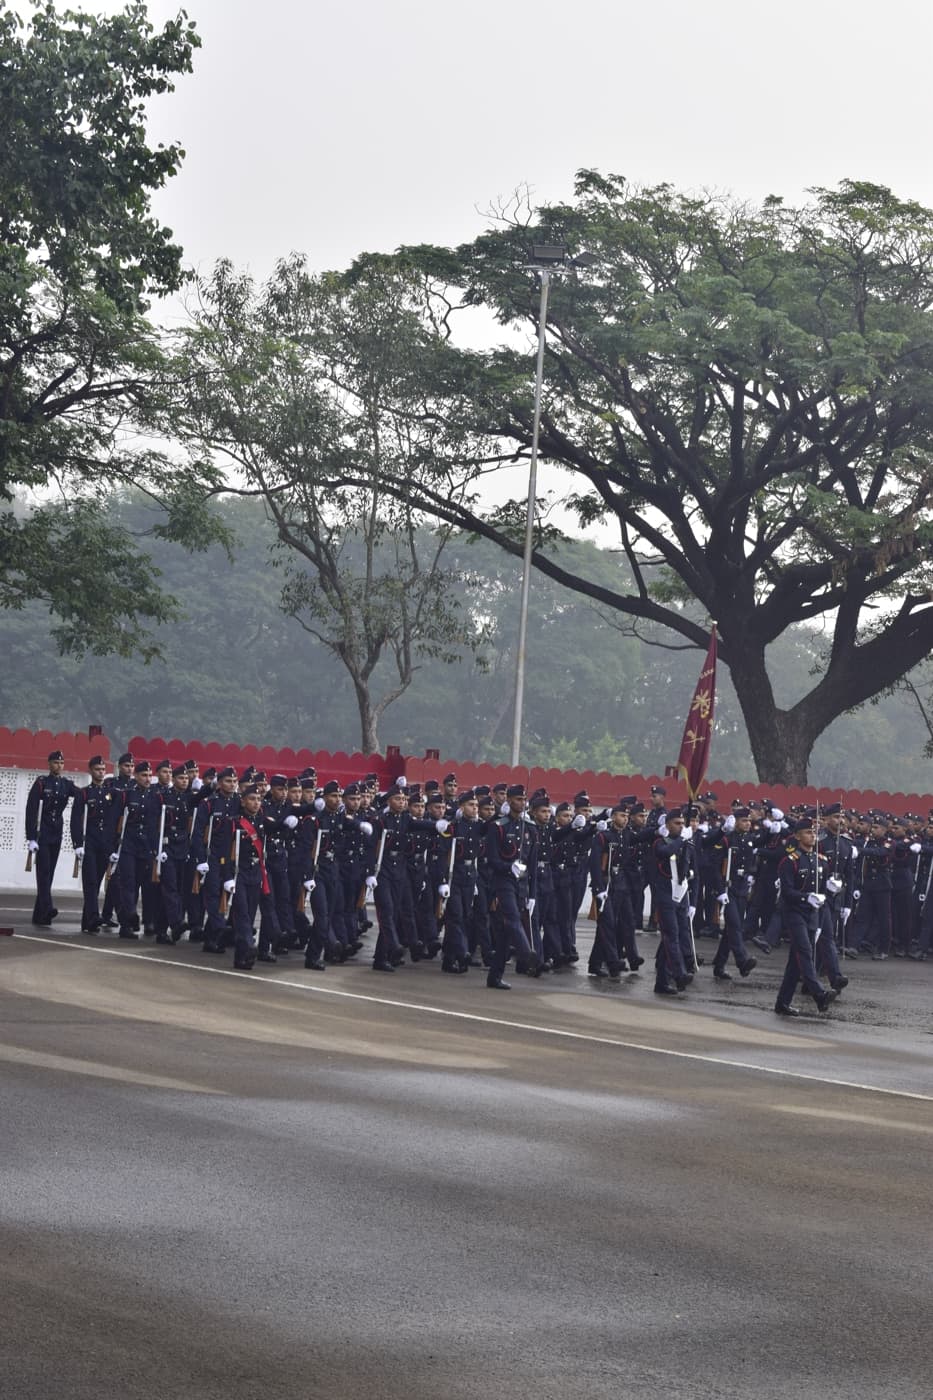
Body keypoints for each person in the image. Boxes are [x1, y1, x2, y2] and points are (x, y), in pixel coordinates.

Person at [774, 818, 837, 1016]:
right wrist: (806, 897)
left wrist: (833, 888)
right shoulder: (789, 861)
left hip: (812, 913)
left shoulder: (821, 860)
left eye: (813, 832)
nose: (812, 835)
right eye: (808, 832)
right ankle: (819, 993)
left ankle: (782, 1003)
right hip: (794, 912)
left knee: (796, 961)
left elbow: (824, 887)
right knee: (805, 951)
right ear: (798, 836)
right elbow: (787, 892)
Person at [485, 783, 540, 989]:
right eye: (518, 799)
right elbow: (491, 860)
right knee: (513, 919)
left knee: (507, 933)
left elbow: (532, 864)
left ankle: (495, 976)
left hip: (522, 884)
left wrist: (532, 894)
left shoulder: (531, 828)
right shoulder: (498, 827)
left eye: (524, 799)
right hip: (503, 882)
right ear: (509, 800)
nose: (522, 803)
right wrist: (509, 868)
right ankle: (527, 955)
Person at [25, 749, 78, 926]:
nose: (59, 766)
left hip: (56, 833)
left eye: (62, 763)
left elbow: (82, 795)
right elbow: (31, 810)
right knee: (44, 872)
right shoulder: (41, 783)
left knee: (49, 874)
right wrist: (31, 837)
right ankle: (48, 908)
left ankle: (40, 916)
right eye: (56, 763)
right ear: (49, 764)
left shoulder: (66, 784)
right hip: (42, 833)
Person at [69, 755, 119, 933]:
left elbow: (115, 819)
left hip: (104, 843)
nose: (101, 772)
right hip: (89, 841)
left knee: (96, 882)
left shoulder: (111, 793)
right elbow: (76, 820)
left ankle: (88, 921)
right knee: (89, 882)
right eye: (98, 769)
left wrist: (113, 846)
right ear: (90, 771)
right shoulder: (84, 793)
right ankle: (93, 916)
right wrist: (77, 844)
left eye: (103, 769)